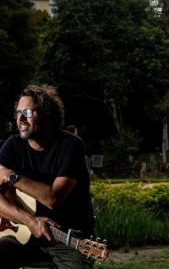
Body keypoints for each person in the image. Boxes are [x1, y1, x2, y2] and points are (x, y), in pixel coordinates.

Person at [0, 85, 95, 268]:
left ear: (47, 115)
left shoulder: (71, 146)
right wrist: (30, 220)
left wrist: (11, 176)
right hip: (21, 235)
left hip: (67, 240)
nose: (20, 118)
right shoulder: (12, 146)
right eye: (18, 112)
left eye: (27, 112)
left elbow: (52, 198)